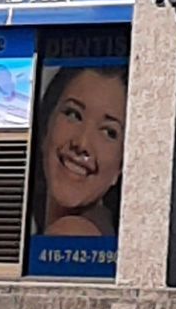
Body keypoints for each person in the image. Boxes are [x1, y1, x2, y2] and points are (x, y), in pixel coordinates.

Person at [31, 61, 128, 246]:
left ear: (121, 166)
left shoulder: (71, 233)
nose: (82, 143)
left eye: (109, 132)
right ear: (46, 126)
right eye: (73, 114)